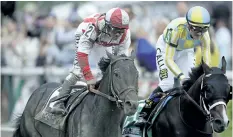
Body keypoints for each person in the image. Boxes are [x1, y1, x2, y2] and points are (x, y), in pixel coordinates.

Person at [135, 6, 211, 126]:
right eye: (196, 29)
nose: (200, 34)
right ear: (189, 25)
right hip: (166, 49)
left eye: (203, 29)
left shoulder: (205, 35)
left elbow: (206, 60)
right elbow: (169, 59)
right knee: (167, 84)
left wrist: (208, 75)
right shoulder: (177, 29)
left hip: (186, 50)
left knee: (190, 85)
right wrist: (181, 77)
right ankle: (145, 111)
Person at [50, 7, 131, 114]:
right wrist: (88, 77)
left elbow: (121, 60)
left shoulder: (125, 35)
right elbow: (82, 54)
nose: (117, 34)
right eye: (115, 29)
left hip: (105, 41)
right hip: (86, 34)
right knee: (78, 70)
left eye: (120, 30)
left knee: (107, 69)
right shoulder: (93, 27)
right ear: (107, 25)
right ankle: (59, 101)